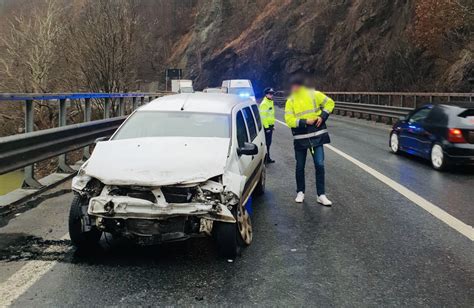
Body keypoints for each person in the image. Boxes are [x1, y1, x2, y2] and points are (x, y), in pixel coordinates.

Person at [284, 76, 335, 206]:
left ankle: (321, 195)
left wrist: (322, 116)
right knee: (300, 166)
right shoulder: (290, 101)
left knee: (320, 165)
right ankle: (300, 192)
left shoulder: (314, 95)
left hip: (317, 137)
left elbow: (330, 103)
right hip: (300, 139)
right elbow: (289, 120)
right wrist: (305, 121)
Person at [260, 87, 276, 164]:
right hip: (266, 127)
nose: (271, 95)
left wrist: (272, 126)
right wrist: (267, 128)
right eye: (270, 94)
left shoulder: (270, 102)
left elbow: (270, 116)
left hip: (270, 126)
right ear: (266, 94)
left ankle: (267, 158)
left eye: (272, 93)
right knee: (266, 143)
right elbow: (263, 117)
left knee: (268, 143)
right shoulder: (264, 104)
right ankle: (266, 159)